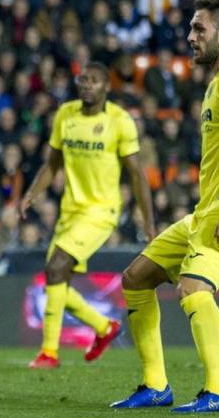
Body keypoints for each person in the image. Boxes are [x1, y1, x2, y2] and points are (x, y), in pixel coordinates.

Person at [111, 0, 219, 413]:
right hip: (206, 210)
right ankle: (156, 386)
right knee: (136, 278)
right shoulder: (217, 82)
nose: (189, 36)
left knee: (193, 288)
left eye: (199, 29)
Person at [19, 61, 155, 369]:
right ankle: (104, 327)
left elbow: (136, 174)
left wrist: (148, 222)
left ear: (107, 87)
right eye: (82, 79)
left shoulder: (119, 120)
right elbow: (52, 163)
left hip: (101, 211)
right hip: (70, 210)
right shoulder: (66, 114)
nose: (86, 85)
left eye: (94, 81)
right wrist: (32, 193)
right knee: (57, 281)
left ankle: (49, 354)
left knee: (55, 269)